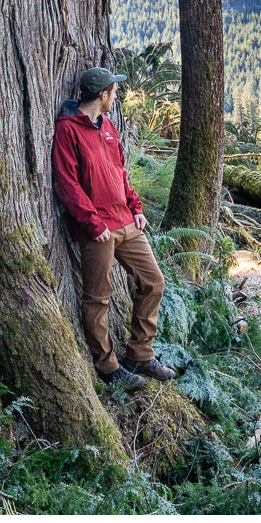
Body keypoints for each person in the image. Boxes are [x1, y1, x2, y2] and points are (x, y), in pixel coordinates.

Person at [52, 68, 175, 385]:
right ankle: (108, 367)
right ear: (102, 95)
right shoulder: (69, 130)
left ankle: (140, 354)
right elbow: (67, 185)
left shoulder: (107, 126)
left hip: (125, 221)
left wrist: (135, 207)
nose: (116, 95)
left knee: (153, 281)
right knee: (98, 297)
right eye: (114, 91)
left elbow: (120, 173)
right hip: (98, 229)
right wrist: (93, 224)